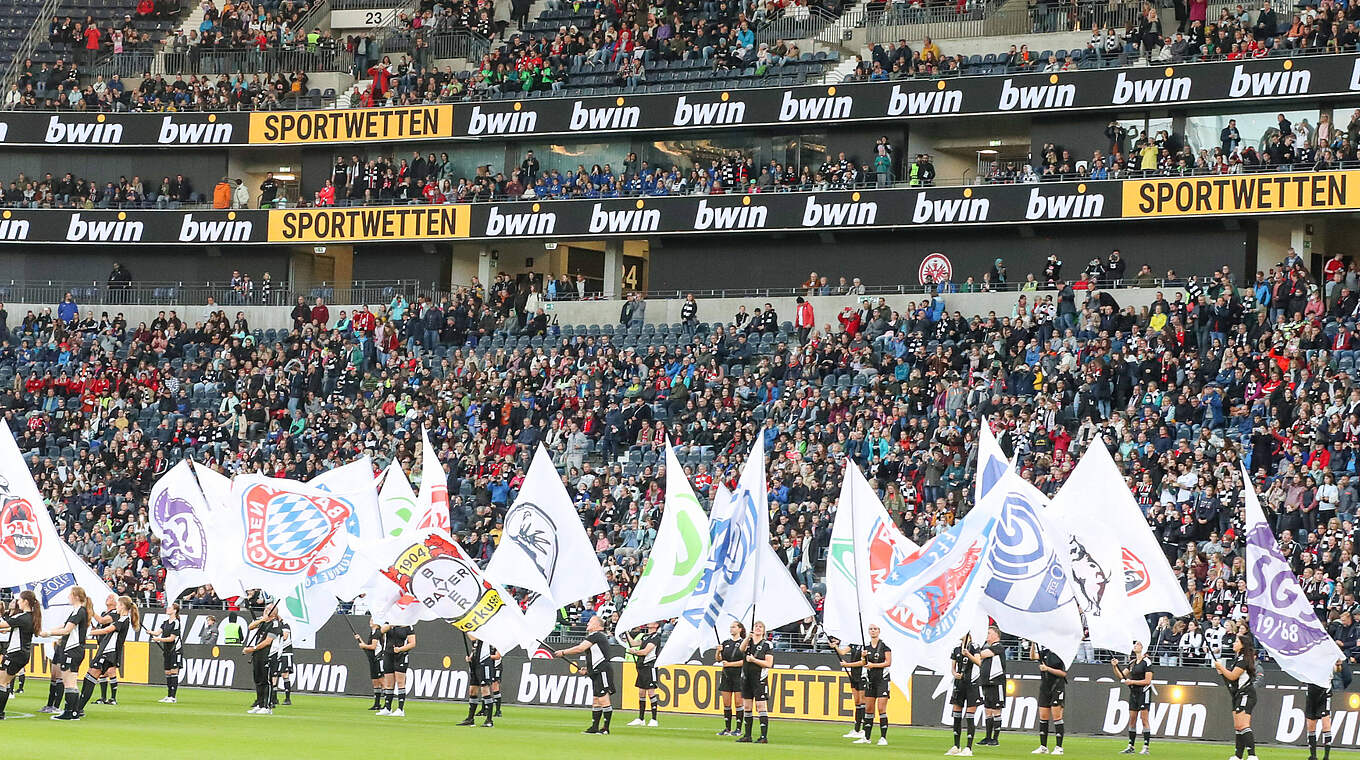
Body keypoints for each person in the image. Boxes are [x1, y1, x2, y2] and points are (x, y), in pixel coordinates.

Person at [553, 615, 615, 734]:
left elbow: (580, 648)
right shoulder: (596, 637)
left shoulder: (596, 635)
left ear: (597, 625)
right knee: (596, 700)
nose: (587, 624)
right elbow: (596, 656)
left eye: (590, 622)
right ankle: (594, 727)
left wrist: (563, 652)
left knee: (603, 699)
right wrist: (588, 670)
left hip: (602, 671)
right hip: (597, 671)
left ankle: (606, 728)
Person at [39, 585, 92, 720]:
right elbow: (64, 625)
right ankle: (74, 712)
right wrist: (48, 630)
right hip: (76, 650)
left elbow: (67, 629)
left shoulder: (79, 611)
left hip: (72, 649)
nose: (68, 597)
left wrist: (49, 633)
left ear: (75, 596)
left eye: (70, 594)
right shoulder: (78, 611)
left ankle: (69, 712)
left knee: (69, 682)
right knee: (72, 682)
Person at [83, 595, 136, 709]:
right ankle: (85, 703)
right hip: (105, 649)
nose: (116, 605)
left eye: (118, 604)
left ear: (121, 606)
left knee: (96, 674)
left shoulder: (122, 619)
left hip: (110, 651)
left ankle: (80, 706)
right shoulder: (121, 618)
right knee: (95, 673)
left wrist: (88, 633)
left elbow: (107, 629)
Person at [1213, 634, 1258, 760]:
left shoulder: (1243, 660)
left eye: (1236, 641)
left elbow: (1233, 676)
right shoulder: (1238, 659)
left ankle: (1252, 755)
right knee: (1238, 726)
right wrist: (1222, 672)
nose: (1233, 643)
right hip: (1237, 695)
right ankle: (1238, 756)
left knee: (1243, 725)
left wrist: (1221, 667)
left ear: (1242, 645)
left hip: (1246, 694)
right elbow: (1231, 679)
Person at [0, 590, 40, 720]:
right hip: (23, 654)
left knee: (2, 683)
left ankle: (0, 712)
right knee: (4, 682)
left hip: (15, 653)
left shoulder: (22, 617)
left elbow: (3, 624)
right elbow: (12, 628)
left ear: (25, 602)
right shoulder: (32, 617)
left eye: (20, 600)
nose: (18, 602)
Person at [965, 626, 1006, 747]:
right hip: (986, 682)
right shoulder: (988, 647)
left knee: (996, 710)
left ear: (996, 635)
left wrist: (974, 649)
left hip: (996, 682)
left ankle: (995, 738)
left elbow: (982, 655)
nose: (987, 635)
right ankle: (988, 737)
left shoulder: (998, 647)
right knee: (988, 710)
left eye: (989, 633)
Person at [1114, 641, 1154, 754]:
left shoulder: (1147, 662)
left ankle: (1146, 746)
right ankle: (1131, 745)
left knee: (1144, 719)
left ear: (1142, 647)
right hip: (1134, 693)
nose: (1135, 646)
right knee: (1132, 719)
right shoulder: (1132, 663)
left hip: (1143, 692)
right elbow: (1121, 676)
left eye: (1137, 644)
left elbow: (1147, 681)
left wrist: (1132, 681)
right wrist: (1115, 666)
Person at [737, 620, 773, 743]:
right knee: (747, 706)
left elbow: (768, 663)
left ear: (764, 630)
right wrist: (748, 637)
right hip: (746, 678)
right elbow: (741, 649)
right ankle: (747, 735)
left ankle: (763, 736)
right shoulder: (748, 643)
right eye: (756, 626)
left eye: (760, 627)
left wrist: (754, 660)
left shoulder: (767, 644)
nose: (758, 628)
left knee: (760, 706)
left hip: (759, 679)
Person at [857, 624, 891, 745]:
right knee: (869, 709)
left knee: (881, 708)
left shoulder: (885, 647)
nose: (873, 631)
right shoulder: (866, 648)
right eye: (871, 629)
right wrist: (863, 657)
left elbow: (888, 663)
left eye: (875, 629)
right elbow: (864, 663)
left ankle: (883, 738)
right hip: (870, 680)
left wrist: (873, 665)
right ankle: (866, 737)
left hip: (882, 680)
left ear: (879, 631)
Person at [948, 633, 982, 756]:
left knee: (969, 715)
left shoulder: (974, 646)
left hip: (972, 684)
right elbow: (953, 667)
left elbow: (979, 662)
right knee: (956, 713)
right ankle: (956, 745)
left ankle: (968, 747)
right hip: (959, 684)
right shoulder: (956, 648)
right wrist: (954, 673)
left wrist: (968, 654)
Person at [244, 601, 280, 715]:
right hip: (257, 655)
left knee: (266, 680)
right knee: (258, 679)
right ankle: (259, 704)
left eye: (268, 610)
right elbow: (250, 627)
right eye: (265, 610)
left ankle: (267, 706)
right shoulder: (262, 621)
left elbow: (267, 642)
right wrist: (261, 620)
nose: (265, 611)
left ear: (273, 614)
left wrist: (252, 648)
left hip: (268, 654)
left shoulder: (275, 624)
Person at [1032, 642, 1068, 755]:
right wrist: (1033, 644)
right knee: (1043, 716)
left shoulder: (1061, 655)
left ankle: (1059, 747)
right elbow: (1033, 656)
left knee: (1057, 716)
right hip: (1045, 687)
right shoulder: (1045, 652)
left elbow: (1063, 673)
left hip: (1057, 686)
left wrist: (1047, 669)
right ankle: (1043, 746)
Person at [625, 621, 661, 726]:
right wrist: (626, 632)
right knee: (641, 692)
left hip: (650, 667)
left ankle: (654, 719)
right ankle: (641, 718)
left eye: (652, 622)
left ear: (656, 625)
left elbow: (645, 651)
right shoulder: (645, 637)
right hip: (642, 667)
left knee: (651, 692)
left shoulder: (655, 638)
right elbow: (633, 643)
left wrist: (634, 652)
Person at [830, 636, 866, 739]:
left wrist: (848, 665)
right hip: (853, 675)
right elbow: (842, 652)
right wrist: (835, 646)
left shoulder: (865, 645)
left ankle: (864, 729)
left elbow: (863, 662)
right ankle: (856, 729)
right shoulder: (853, 644)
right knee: (857, 702)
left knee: (863, 702)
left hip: (862, 675)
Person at [716, 621, 746, 736]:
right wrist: (718, 651)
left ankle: (738, 728)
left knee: (738, 702)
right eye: (730, 627)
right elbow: (719, 659)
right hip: (726, 675)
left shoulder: (743, 643)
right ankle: (727, 728)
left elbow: (744, 661)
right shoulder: (726, 643)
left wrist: (729, 664)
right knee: (726, 703)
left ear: (740, 629)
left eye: (734, 627)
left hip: (738, 675)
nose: (731, 629)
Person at [1304, 659, 1339, 760]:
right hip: (1311, 694)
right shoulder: (1308, 662)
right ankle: (1313, 755)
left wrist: (1338, 663)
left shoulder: (1328, 661)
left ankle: (1326, 756)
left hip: (1324, 693)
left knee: (1326, 723)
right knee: (1310, 725)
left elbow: (1337, 669)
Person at [379, 622, 415, 716]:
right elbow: (380, 632)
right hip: (388, 654)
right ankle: (387, 707)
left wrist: (401, 649)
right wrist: (390, 625)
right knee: (389, 682)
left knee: (400, 681)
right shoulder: (389, 623)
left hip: (400, 655)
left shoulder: (407, 625)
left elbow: (412, 643)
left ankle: (400, 709)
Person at [152, 601, 184, 703]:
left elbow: (172, 638)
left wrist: (159, 639)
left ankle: (173, 697)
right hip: (166, 650)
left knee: (174, 672)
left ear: (175, 610)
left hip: (175, 650)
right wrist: (151, 632)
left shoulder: (176, 623)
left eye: (170, 608)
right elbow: (157, 632)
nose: (167, 609)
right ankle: (169, 695)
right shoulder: (165, 622)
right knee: (167, 672)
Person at [461, 633, 487, 725]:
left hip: (483, 665)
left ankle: (489, 719)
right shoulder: (475, 641)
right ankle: (470, 718)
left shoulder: (484, 637)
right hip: (474, 665)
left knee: (485, 690)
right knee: (472, 691)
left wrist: (465, 629)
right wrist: (470, 657)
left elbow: (474, 638)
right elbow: (474, 646)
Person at [356, 621, 383, 711]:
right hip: (372, 660)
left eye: (372, 620)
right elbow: (367, 647)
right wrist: (360, 640)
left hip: (378, 659)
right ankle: (377, 703)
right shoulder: (372, 633)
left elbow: (373, 647)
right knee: (375, 682)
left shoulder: (377, 632)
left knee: (382, 682)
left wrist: (363, 645)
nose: (370, 622)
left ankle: (387, 704)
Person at [271, 619, 295, 707]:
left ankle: (287, 698)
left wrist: (275, 634)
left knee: (285, 675)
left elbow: (284, 637)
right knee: (274, 675)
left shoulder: (285, 625)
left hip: (286, 653)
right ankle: (274, 697)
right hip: (277, 653)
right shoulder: (273, 626)